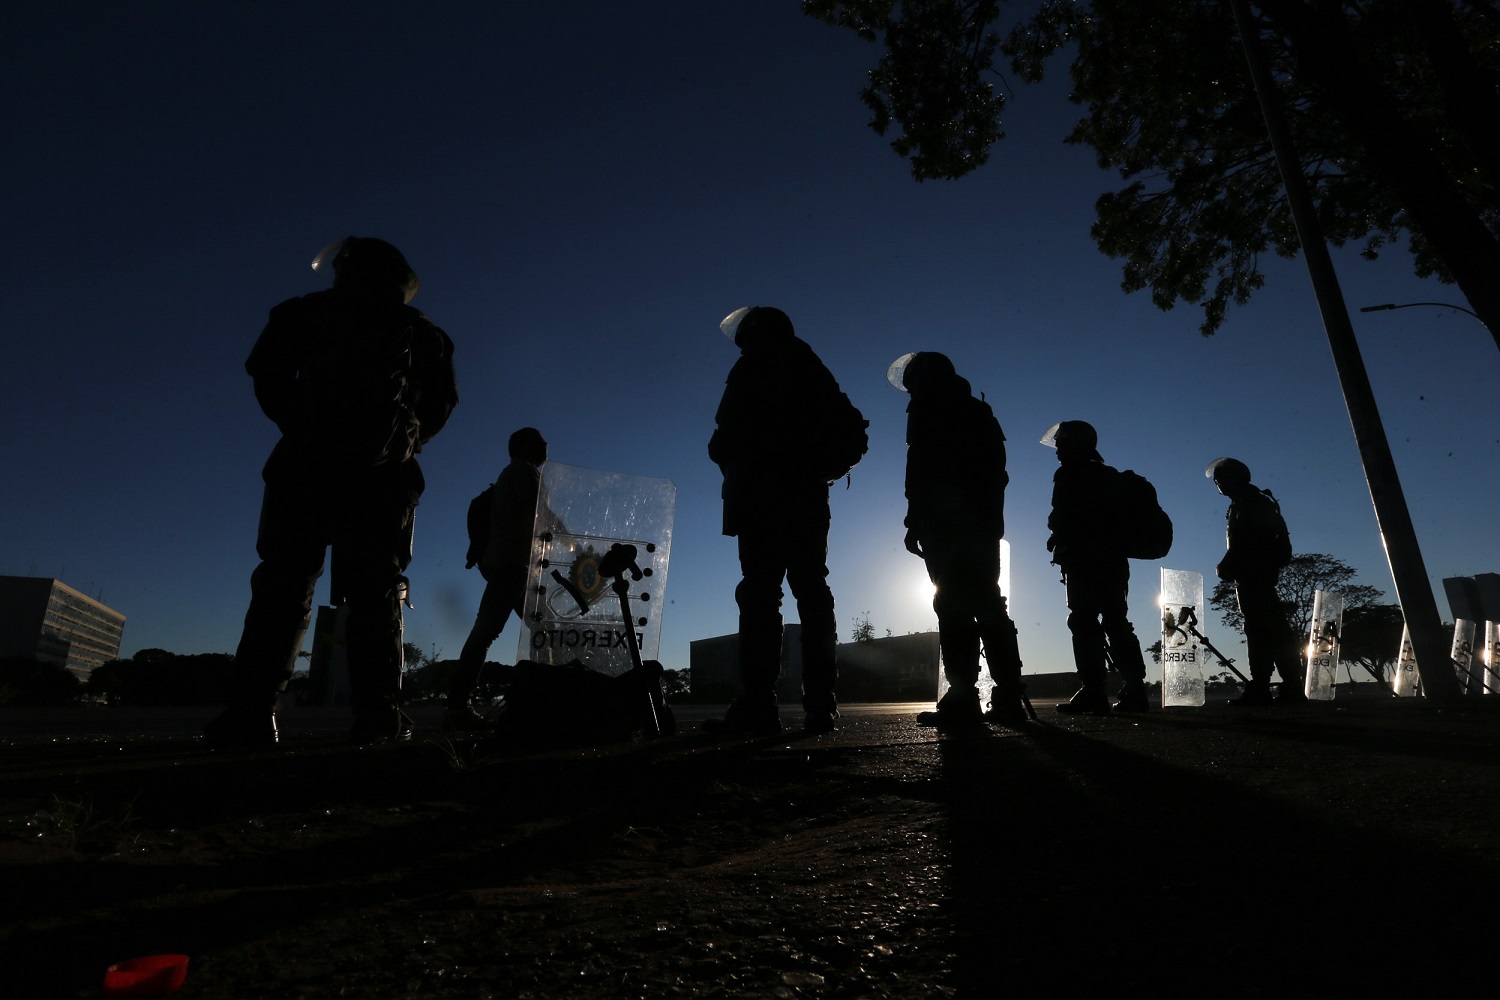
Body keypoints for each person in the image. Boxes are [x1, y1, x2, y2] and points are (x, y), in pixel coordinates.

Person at [205, 237, 458, 748]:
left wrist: (301, 424)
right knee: (375, 595)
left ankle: (252, 714)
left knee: (283, 587)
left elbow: (267, 375)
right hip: (381, 478)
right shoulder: (424, 333)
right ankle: (378, 717)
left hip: (306, 467)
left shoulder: (305, 313)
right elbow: (441, 406)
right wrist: (401, 445)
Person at [707, 306, 857, 735]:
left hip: (761, 498)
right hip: (806, 498)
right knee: (811, 592)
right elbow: (847, 427)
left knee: (760, 594)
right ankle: (821, 705)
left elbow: (725, 436)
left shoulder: (752, 367)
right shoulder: (812, 367)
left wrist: (734, 455)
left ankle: (759, 702)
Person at [889, 352, 1027, 726]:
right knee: (987, 603)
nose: (910, 390)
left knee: (953, 605)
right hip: (982, 525)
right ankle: (1009, 694)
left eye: (912, 381)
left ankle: (965, 694)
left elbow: (921, 471)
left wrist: (915, 520)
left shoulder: (929, 409)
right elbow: (996, 473)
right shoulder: (978, 411)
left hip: (947, 526)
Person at [445, 427, 554, 730]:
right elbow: (540, 515)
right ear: (525, 447)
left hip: (510, 565)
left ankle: (543, 696)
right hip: (513, 565)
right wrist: (571, 537)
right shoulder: (524, 471)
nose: (547, 448)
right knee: (491, 631)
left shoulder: (512, 473)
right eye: (542, 443)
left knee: (539, 627)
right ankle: (457, 705)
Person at [1042, 420, 1150, 714]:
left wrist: (1058, 537)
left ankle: (1094, 690)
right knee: (1116, 621)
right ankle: (1135, 689)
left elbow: (1064, 518)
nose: (1057, 451)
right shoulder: (1108, 476)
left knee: (1083, 621)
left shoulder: (1069, 475)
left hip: (1083, 560)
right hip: (1113, 560)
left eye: (1061, 444)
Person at [1206, 457, 1306, 705]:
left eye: (1221, 477)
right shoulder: (1252, 500)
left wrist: (1226, 565)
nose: (1218, 483)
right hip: (1257, 575)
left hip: (1255, 575)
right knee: (1268, 629)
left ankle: (1267, 687)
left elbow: (1247, 541)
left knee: (1263, 630)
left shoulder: (1250, 502)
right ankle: (1283, 685)